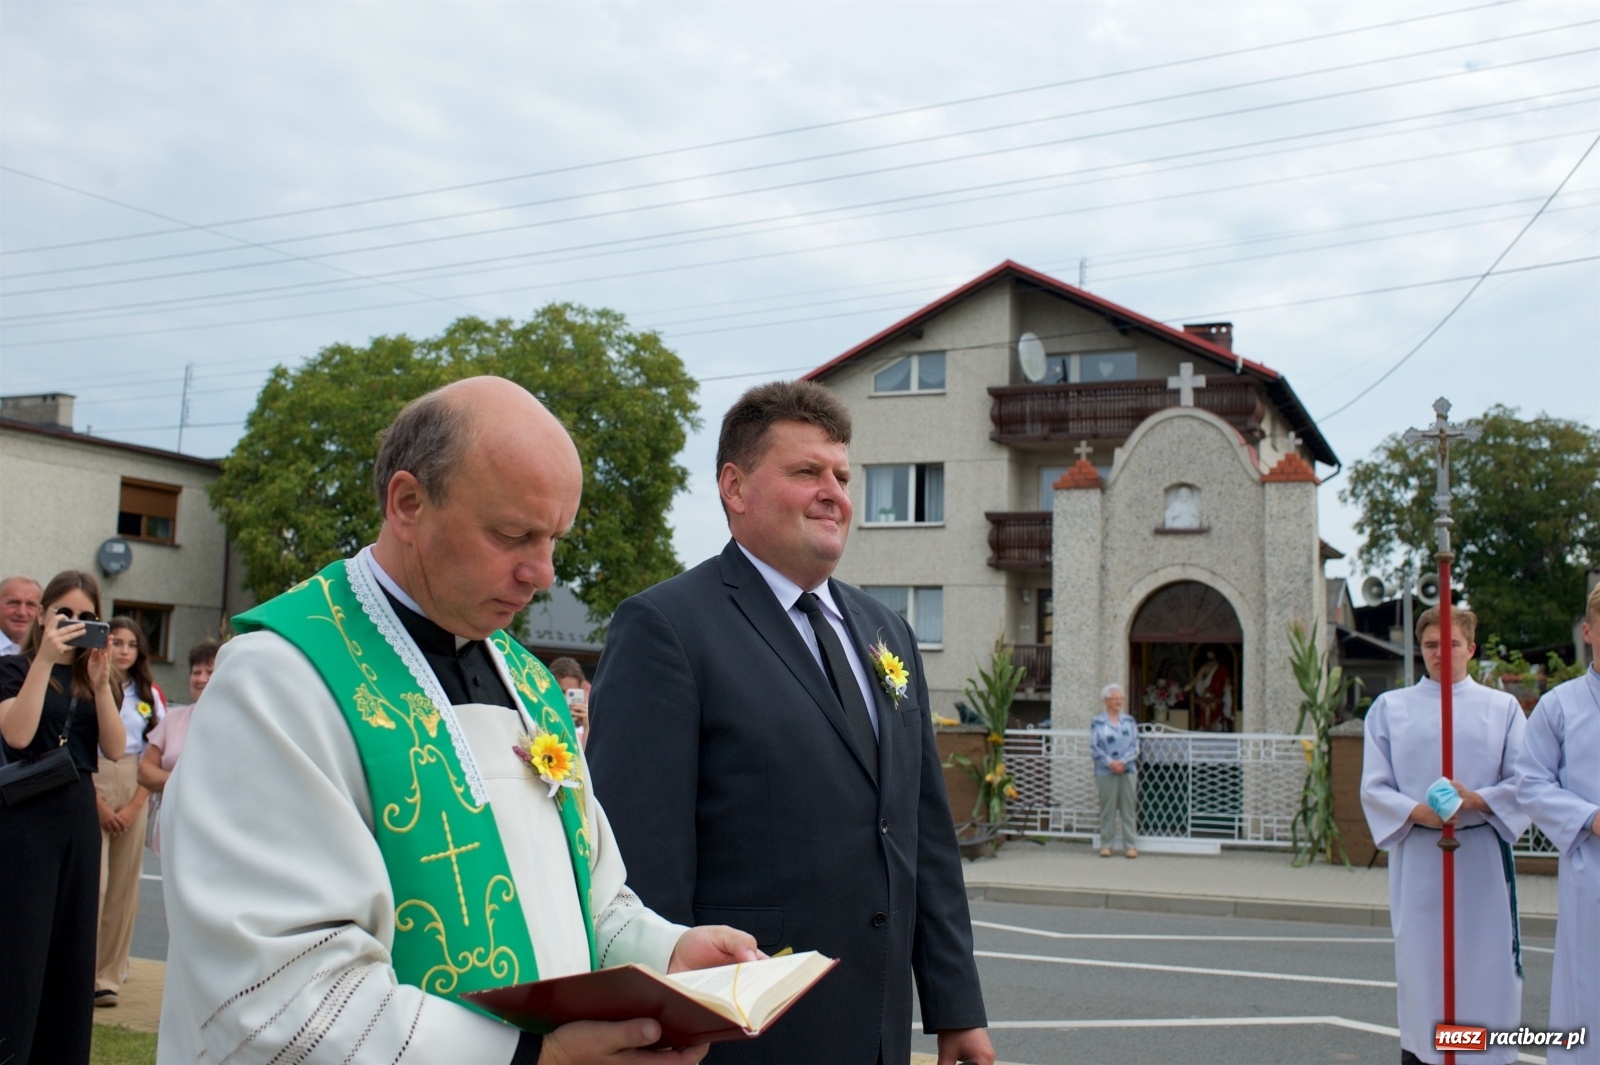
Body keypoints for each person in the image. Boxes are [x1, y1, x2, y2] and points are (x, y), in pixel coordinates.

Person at [158, 377, 757, 1065]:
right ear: (408, 503)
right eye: (513, 534)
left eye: (555, 537)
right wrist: (532, 1058)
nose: (542, 571)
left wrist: (668, 952)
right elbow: (273, 995)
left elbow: (586, 900)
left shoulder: (529, 683)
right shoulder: (278, 681)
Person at [588, 381, 993, 1065]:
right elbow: (641, 862)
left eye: (841, 474)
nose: (833, 490)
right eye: (807, 472)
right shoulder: (668, 628)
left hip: (878, 1033)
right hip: (747, 1033)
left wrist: (956, 1008)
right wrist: (662, 1023)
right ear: (735, 487)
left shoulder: (885, 630)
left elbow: (919, 833)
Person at [1361, 605, 1529, 1065]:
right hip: (1420, 858)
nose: (1441, 653)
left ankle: (1479, 1055)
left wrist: (1472, 799)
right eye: (1431, 645)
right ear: (1421, 649)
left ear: (1470, 649)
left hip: (1479, 857)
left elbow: (1524, 783)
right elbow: (1375, 787)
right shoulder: (1391, 709)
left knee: (1483, 971)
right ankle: (1429, 1054)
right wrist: (1422, 813)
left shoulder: (1503, 709)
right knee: (1426, 973)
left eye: (1451, 644)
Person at [0, 570, 127, 1065]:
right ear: (44, 615)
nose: (75, 624)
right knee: (22, 948)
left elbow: (115, 749)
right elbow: (16, 733)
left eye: (87, 617)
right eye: (65, 614)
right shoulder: (15, 669)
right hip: (24, 822)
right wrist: (46, 659)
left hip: (77, 820)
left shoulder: (98, 676)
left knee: (72, 949)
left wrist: (98, 686)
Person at [1514, 585, 1600, 1064]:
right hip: (1591, 869)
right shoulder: (1560, 706)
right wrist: (1589, 817)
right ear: (1588, 633)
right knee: (1589, 988)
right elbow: (1530, 783)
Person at [92, 618, 165, 1008]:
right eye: (115, 642)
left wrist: (137, 803)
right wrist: (100, 804)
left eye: (131, 644)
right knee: (95, 885)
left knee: (122, 888)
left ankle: (107, 976)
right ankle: (78, 968)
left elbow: (155, 749)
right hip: (95, 777)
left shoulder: (148, 694)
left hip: (134, 782)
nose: (122, 650)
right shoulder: (89, 683)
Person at [137, 640, 217, 856]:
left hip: (215, 830)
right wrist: (183, 780)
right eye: (196, 672)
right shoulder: (173, 719)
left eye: (210, 671)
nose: (201, 679)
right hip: (172, 826)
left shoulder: (238, 724)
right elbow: (145, 772)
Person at [1090, 682, 1139, 858]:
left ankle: (1130, 845)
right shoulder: (1098, 722)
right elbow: (1095, 747)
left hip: (1128, 769)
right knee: (1108, 808)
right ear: (1106, 701)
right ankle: (1106, 844)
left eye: (1121, 698)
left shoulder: (1129, 721)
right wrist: (1111, 762)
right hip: (1105, 771)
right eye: (1115, 698)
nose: (1118, 701)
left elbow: (1135, 745)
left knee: (1128, 808)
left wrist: (1123, 762)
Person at [548, 656, 590, 745]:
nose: (566, 698)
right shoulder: (542, 718)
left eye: (572, 693)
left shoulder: (587, 724)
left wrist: (587, 727)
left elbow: (589, 758)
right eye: (562, 692)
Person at [0, 574, 43, 656]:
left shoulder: (48, 651)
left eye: (30, 605)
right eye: (14, 603)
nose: (22, 612)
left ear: (41, 612)